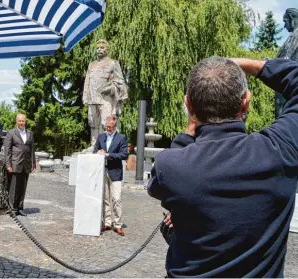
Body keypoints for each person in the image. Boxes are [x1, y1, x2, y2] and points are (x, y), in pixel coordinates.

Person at [147, 57, 298, 277]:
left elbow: (157, 186)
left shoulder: (170, 166)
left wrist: (188, 132)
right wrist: (251, 65)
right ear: (245, 102)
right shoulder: (279, 150)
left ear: (189, 105)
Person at [92, 115, 128, 236]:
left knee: (116, 198)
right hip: (102, 171)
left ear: (115, 126)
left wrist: (108, 154)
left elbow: (124, 155)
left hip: (115, 172)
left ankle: (117, 224)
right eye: (106, 126)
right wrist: (98, 152)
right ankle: (107, 222)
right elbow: (95, 150)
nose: (108, 129)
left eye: (110, 127)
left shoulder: (121, 138)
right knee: (105, 198)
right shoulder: (101, 136)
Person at [3, 113, 35, 216]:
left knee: (23, 187)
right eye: (19, 121)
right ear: (16, 121)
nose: (21, 123)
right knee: (14, 188)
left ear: (25, 122)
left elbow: (32, 150)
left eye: (23, 121)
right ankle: (13, 209)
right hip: (15, 163)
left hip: (26, 164)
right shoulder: (11, 133)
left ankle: (20, 208)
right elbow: (7, 150)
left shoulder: (30, 134)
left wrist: (33, 164)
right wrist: (8, 165)